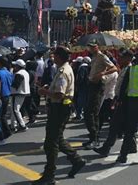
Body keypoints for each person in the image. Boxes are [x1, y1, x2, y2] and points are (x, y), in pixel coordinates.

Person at [33, 47, 86, 185]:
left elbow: (59, 94)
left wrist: (44, 92)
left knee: (51, 143)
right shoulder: (63, 69)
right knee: (58, 138)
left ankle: (50, 174)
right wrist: (48, 88)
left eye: (54, 55)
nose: (53, 58)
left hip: (60, 108)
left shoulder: (63, 71)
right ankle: (76, 160)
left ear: (59, 57)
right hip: (60, 108)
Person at [93, 49, 136, 157]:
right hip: (120, 100)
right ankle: (132, 146)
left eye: (122, 57)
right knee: (124, 126)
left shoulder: (129, 69)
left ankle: (106, 148)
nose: (119, 58)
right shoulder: (124, 68)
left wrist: (118, 99)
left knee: (115, 125)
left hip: (124, 101)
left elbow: (125, 87)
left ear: (128, 58)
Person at [83, 40, 117, 149]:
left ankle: (95, 138)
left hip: (98, 85)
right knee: (88, 112)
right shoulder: (93, 57)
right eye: (90, 47)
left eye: (93, 46)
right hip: (92, 85)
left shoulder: (102, 56)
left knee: (93, 112)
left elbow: (114, 68)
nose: (91, 48)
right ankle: (92, 137)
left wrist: (103, 73)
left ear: (97, 47)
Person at [0, 56, 13, 138]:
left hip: (0, 95)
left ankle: (2, 133)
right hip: (7, 94)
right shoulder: (9, 73)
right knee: (3, 115)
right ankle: (6, 131)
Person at [10, 59, 30, 132]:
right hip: (23, 92)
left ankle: (22, 125)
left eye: (15, 65)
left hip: (17, 93)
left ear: (18, 66)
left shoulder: (19, 73)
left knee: (15, 110)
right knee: (14, 110)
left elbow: (15, 85)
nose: (14, 66)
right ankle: (13, 125)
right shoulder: (25, 72)